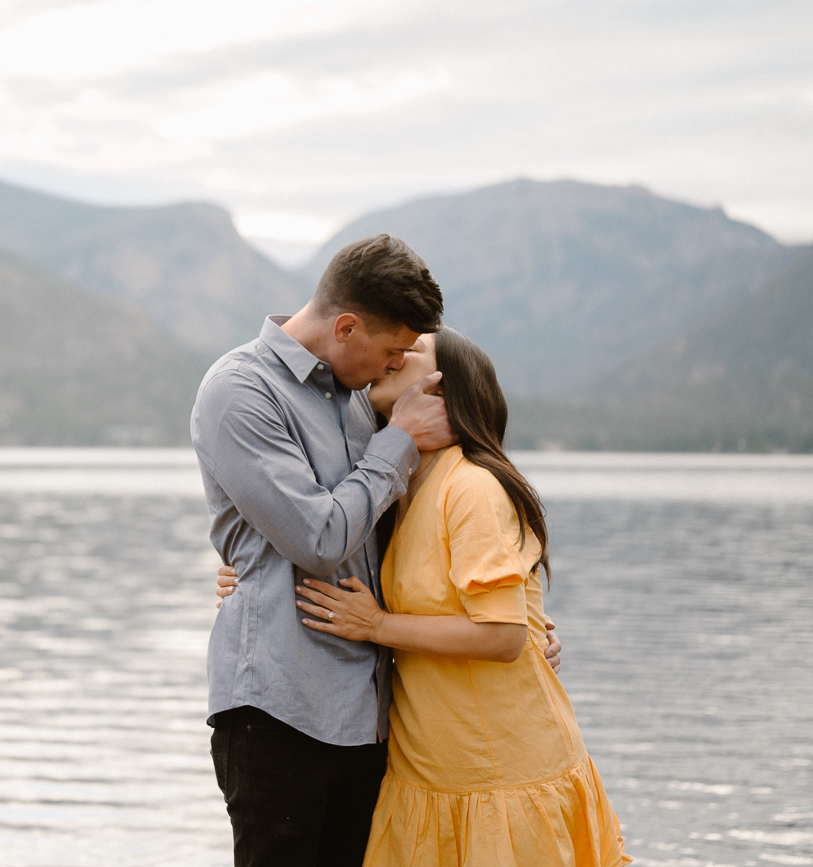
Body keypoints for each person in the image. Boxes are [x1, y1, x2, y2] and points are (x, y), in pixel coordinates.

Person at [220, 329, 627, 866]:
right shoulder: (397, 486)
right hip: (428, 770)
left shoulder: (472, 486)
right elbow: (319, 531)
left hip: (497, 765)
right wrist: (246, 575)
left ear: (442, 390)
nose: (391, 358)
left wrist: (376, 625)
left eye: (410, 353)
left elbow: (503, 635)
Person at [191, 234, 455, 867]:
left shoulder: (362, 399)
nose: (397, 366)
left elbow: (395, 539)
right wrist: (398, 443)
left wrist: (513, 621)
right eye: (392, 350)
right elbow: (319, 539)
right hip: (280, 710)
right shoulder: (241, 390)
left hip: (370, 713)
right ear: (346, 327)